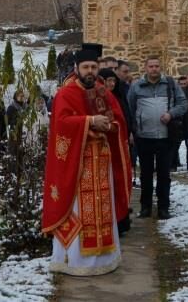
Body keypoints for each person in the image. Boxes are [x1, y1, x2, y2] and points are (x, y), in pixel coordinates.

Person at [42, 49, 132, 276]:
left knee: (103, 209)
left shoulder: (103, 92)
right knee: (79, 211)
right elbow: (61, 123)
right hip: (76, 165)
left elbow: (118, 121)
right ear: (77, 69)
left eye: (93, 67)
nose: (90, 71)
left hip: (102, 163)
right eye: (85, 67)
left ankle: (105, 259)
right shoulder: (66, 93)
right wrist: (90, 121)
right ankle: (75, 261)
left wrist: (109, 126)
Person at [126, 56, 187, 219]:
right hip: (143, 137)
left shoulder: (170, 84)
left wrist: (170, 114)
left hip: (165, 137)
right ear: (145, 68)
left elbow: (183, 104)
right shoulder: (136, 86)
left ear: (161, 67)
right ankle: (145, 207)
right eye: (151, 66)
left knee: (164, 174)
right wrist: (133, 130)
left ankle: (163, 208)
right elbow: (130, 109)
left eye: (157, 66)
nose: (154, 69)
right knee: (145, 174)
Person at [171, 74, 188, 171]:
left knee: (178, 144)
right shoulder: (175, 95)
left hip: (186, 122)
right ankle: (174, 163)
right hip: (177, 122)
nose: (183, 86)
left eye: (184, 84)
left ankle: (176, 162)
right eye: (181, 84)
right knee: (174, 144)